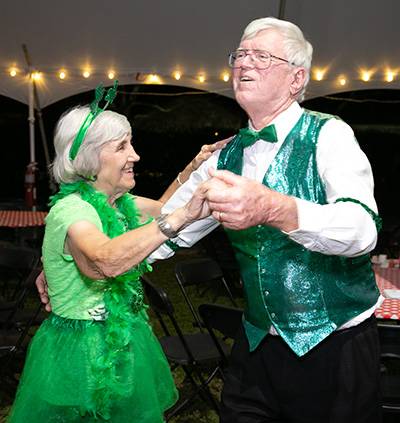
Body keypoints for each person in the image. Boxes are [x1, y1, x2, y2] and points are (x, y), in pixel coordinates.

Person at [150, 17, 383, 423]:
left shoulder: (330, 135)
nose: (244, 63)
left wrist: (276, 209)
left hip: (335, 348)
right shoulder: (224, 156)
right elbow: (169, 230)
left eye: (261, 55)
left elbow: (362, 229)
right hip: (256, 347)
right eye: (239, 55)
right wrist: (85, 257)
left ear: (297, 79)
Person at [7, 83, 214, 423]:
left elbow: (162, 206)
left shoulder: (120, 205)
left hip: (124, 338)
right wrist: (178, 219)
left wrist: (193, 167)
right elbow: (102, 260)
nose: (135, 155)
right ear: (90, 159)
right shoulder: (72, 210)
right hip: (80, 352)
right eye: (122, 147)